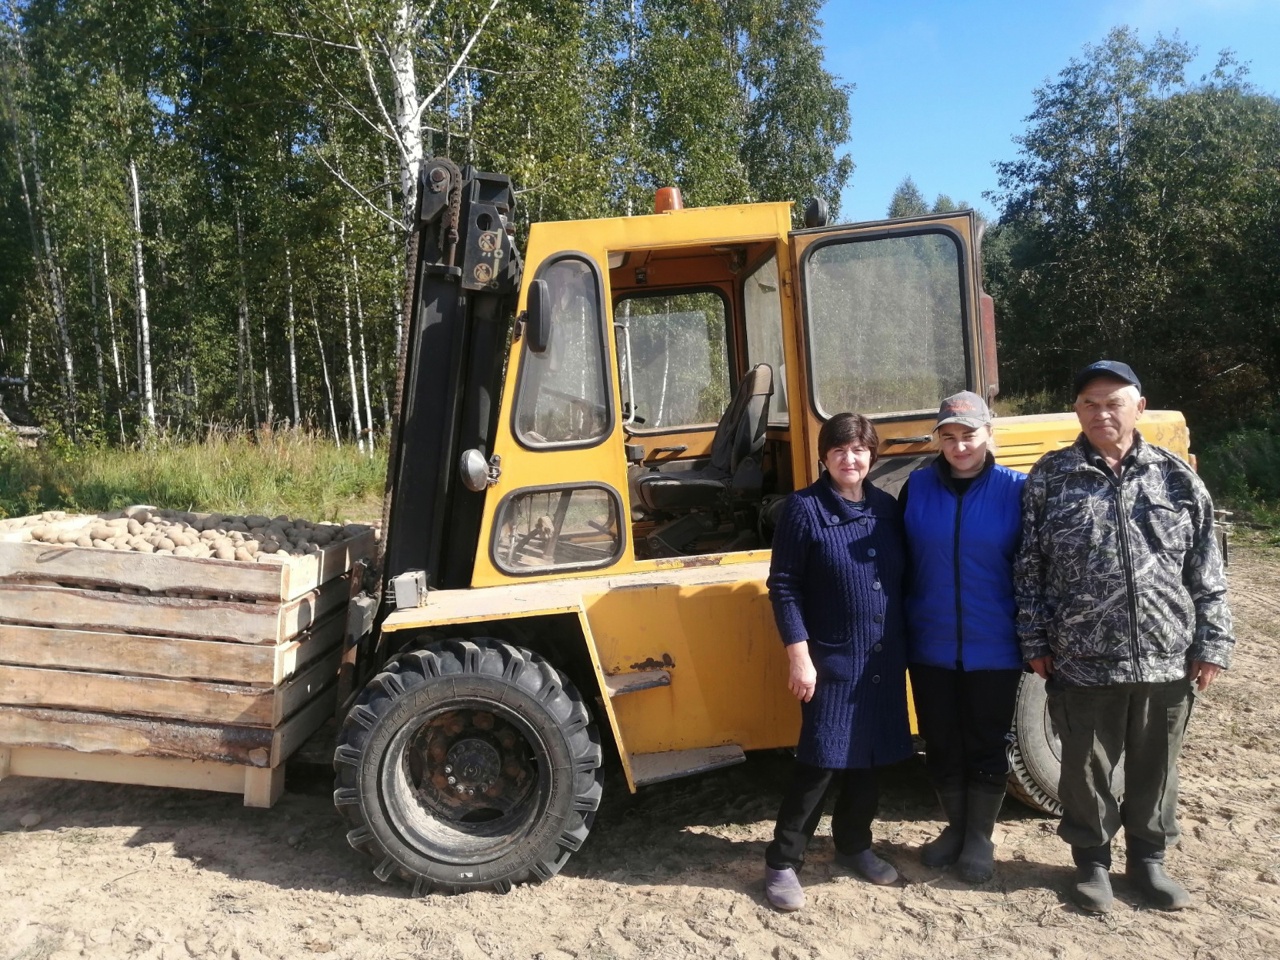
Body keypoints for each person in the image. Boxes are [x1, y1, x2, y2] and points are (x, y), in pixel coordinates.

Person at [1015, 360, 1234, 913]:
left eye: (1114, 402)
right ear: (1077, 411)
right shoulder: (1052, 476)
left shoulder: (1175, 476)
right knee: (1085, 768)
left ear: (1139, 407)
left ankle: (1149, 862)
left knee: (1156, 765)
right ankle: (1092, 865)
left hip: (1167, 655)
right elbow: (1029, 565)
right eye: (1090, 403)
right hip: (1082, 656)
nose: (1101, 412)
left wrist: (1212, 642)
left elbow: (1207, 566)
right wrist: (1035, 638)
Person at [762, 412, 913, 912]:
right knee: (820, 761)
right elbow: (783, 587)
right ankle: (783, 861)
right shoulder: (803, 510)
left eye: (860, 450)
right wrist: (800, 657)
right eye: (840, 450)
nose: (850, 459)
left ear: (872, 455)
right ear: (824, 456)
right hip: (830, 661)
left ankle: (854, 845)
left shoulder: (887, 509)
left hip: (883, 658)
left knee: (869, 759)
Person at [901, 391, 1026, 883]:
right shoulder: (916, 487)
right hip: (929, 642)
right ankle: (954, 827)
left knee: (986, 740)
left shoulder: (1017, 488)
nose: (959, 446)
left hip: (994, 643)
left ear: (989, 434)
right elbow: (902, 563)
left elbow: (1033, 569)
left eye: (969, 435)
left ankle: (980, 837)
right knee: (941, 740)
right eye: (948, 437)